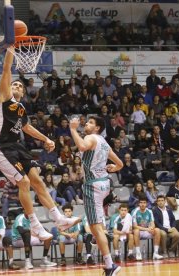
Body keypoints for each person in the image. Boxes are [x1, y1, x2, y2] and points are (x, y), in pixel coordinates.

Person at [0, 46, 79, 241]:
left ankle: (59, 218)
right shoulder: (4, 98)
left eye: (20, 86)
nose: (17, 87)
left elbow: (27, 128)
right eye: (15, 85)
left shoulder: (20, 108)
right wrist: (10, 48)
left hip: (16, 147)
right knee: (24, 182)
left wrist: (46, 139)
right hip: (1, 147)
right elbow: (6, 69)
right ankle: (35, 225)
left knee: (37, 181)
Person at [69, 115, 123, 275]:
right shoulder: (104, 142)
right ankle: (107, 259)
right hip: (105, 183)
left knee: (95, 227)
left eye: (91, 122)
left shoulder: (91, 137)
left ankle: (109, 265)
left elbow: (82, 146)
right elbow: (119, 162)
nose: (87, 124)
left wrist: (72, 129)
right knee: (97, 227)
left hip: (93, 186)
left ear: (97, 128)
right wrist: (116, 167)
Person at [131, 195, 163, 261]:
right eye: (141, 202)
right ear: (138, 203)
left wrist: (151, 228)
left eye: (144, 203)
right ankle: (138, 253)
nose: (142, 204)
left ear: (147, 204)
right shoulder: (134, 211)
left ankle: (155, 253)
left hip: (147, 231)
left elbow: (152, 223)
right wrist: (147, 229)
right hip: (139, 232)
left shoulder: (149, 211)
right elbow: (134, 226)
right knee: (136, 230)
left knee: (157, 230)